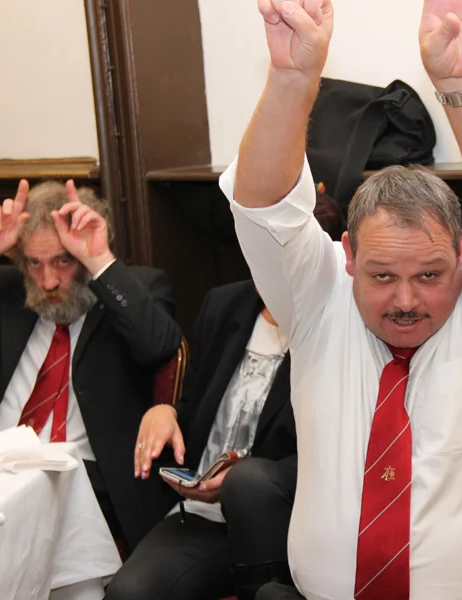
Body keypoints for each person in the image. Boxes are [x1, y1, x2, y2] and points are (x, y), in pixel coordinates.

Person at [221, 0, 462, 598]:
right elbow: (264, 207)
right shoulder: (319, 299)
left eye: (429, 274)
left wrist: (460, 83)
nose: (406, 300)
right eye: (381, 276)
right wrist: (293, 78)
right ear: (348, 255)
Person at [104, 190, 344, 600]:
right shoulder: (225, 304)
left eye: (285, 258)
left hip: (286, 520)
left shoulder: (342, 327)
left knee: (249, 485)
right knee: (129, 592)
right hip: (204, 515)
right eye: (259, 254)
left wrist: (240, 479)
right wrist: (166, 411)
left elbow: (340, 452)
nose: (268, 271)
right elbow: (198, 406)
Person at [0, 179, 182, 554]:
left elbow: (161, 348)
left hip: (85, 482)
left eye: (63, 261)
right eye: (34, 263)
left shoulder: (136, 288)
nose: (47, 281)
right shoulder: (2, 291)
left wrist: (98, 260)